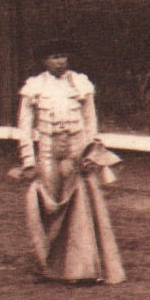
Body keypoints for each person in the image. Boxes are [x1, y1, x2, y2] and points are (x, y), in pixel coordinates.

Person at [12, 40, 126, 284]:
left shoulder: (80, 84)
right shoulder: (34, 86)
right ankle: (47, 263)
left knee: (79, 201)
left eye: (63, 56)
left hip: (75, 147)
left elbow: (89, 122)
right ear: (45, 61)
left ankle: (80, 267)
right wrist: (28, 161)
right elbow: (25, 127)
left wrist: (89, 153)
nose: (60, 61)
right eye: (54, 57)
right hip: (47, 148)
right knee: (48, 200)